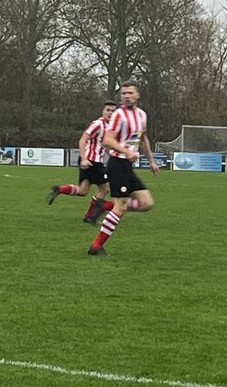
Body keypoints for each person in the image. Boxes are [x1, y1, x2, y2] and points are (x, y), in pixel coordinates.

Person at [87, 81, 159, 256]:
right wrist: (126, 151)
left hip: (128, 166)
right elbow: (107, 140)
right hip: (117, 164)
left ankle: (105, 205)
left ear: (137, 95)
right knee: (121, 208)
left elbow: (143, 139)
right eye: (123, 93)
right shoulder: (118, 115)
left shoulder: (142, 115)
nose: (126, 96)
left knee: (146, 203)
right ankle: (96, 247)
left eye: (130, 93)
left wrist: (151, 161)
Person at [47, 102, 116, 222]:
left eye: (113, 111)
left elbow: (105, 144)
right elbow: (83, 139)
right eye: (108, 110)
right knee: (105, 189)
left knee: (83, 191)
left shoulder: (110, 127)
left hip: (90, 161)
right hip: (92, 161)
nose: (110, 113)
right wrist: (84, 158)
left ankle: (60, 189)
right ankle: (90, 216)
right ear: (103, 111)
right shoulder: (98, 124)